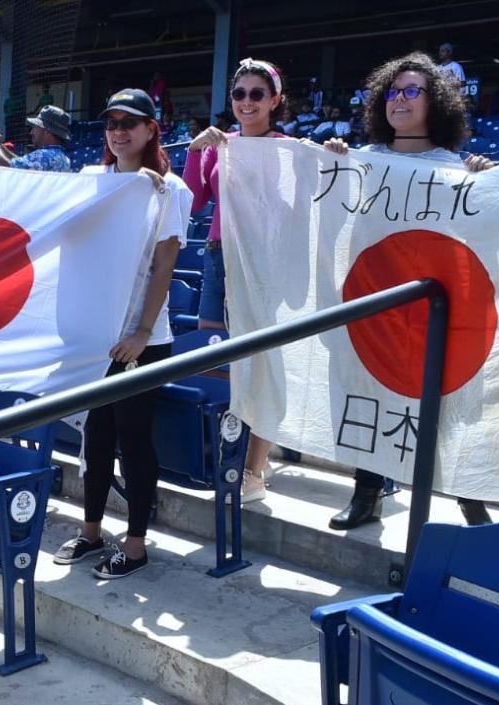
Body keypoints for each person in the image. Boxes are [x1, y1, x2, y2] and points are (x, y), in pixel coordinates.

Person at [321, 52, 495, 530]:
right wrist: (329, 162)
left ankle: (468, 498)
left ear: (435, 101)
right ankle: (367, 493)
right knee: (372, 394)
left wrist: (484, 181)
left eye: (412, 90)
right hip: (376, 307)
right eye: (393, 91)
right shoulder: (362, 162)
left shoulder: (457, 168)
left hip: (438, 308)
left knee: (448, 403)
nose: (400, 99)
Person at [53, 88, 187, 579]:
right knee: (97, 435)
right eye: (112, 122)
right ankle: (91, 532)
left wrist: (142, 331)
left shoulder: (169, 189)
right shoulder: (93, 181)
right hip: (95, 334)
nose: (119, 131)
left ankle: (134, 545)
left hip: (141, 339)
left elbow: (164, 266)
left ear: (152, 129)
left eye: (130, 122)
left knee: (133, 439)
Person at [184, 58, 292, 502]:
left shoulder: (289, 148)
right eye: (239, 94)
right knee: (213, 358)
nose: (246, 102)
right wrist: (193, 153)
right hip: (218, 255)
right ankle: (218, 452)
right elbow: (192, 204)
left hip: (265, 261)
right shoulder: (216, 146)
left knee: (262, 364)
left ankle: (254, 469)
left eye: (256, 94)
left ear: (274, 101)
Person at [0, 105, 72, 172]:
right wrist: (0, 145)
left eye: (35, 127)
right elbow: (20, 162)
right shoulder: (64, 158)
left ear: (47, 131)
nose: (31, 132)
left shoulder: (44, 156)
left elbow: (6, 167)